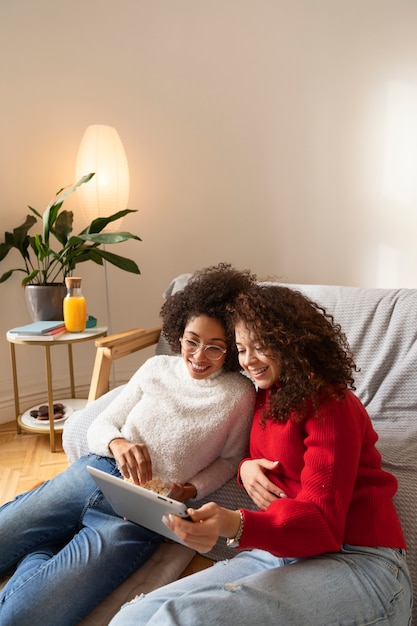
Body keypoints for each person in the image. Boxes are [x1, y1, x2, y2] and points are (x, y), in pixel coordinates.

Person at [109, 283, 413, 626]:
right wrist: (245, 467)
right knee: (131, 617)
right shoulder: (265, 397)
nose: (249, 360)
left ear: (292, 341)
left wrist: (232, 522)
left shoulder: (331, 404)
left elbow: (323, 526)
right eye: (241, 349)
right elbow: (254, 457)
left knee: (185, 618)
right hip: (283, 554)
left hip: (361, 564)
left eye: (261, 346)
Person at [0, 264, 257, 626]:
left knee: (22, 617)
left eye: (215, 348)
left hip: (140, 515)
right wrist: (118, 443)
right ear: (179, 332)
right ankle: (54, 532)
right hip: (94, 473)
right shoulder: (156, 369)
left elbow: (231, 461)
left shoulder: (239, 394)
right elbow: (102, 424)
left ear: (231, 348)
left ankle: (49, 540)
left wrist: (192, 488)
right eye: (191, 341)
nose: (199, 356)